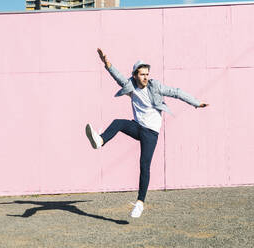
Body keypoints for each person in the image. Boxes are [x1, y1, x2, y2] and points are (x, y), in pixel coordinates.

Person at [85, 48, 208, 218]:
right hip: (138, 127)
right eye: (142, 74)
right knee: (118, 123)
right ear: (135, 75)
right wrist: (107, 64)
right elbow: (118, 77)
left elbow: (176, 92)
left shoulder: (155, 86)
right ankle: (100, 141)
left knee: (144, 165)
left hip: (151, 133)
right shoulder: (130, 85)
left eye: (147, 74)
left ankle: (140, 203)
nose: (145, 77)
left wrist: (196, 103)